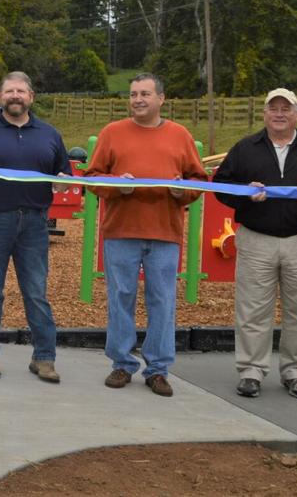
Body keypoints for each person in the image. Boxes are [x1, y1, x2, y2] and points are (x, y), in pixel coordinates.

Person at [85, 73, 207, 397]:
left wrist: (182, 193)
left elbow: (198, 180)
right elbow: (93, 177)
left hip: (165, 232)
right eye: (134, 94)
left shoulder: (179, 136)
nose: (138, 99)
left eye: (145, 94)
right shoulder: (113, 133)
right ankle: (122, 364)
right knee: (120, 297)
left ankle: (158, 369)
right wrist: (115, 185)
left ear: (161, 99)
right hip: (121, 230)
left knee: (163, 301)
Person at [0, 71, 72, 382]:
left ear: (31, 97)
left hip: (34, 223)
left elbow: (64, 176)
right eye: (9, 91)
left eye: (21, 91)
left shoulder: (50, 134)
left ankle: (44, 359)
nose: (15, 96)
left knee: (36, 292)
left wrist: (62, 184)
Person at [211, 88, 297, 399]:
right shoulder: (245, 149)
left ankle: (296, 372)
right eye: (273, 108)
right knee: (252, 309)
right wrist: (243, 190)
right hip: (256, 239)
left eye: (285, 108)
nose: (279, 113)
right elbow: (220, 187)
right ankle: (250, 371)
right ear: (264, 114)